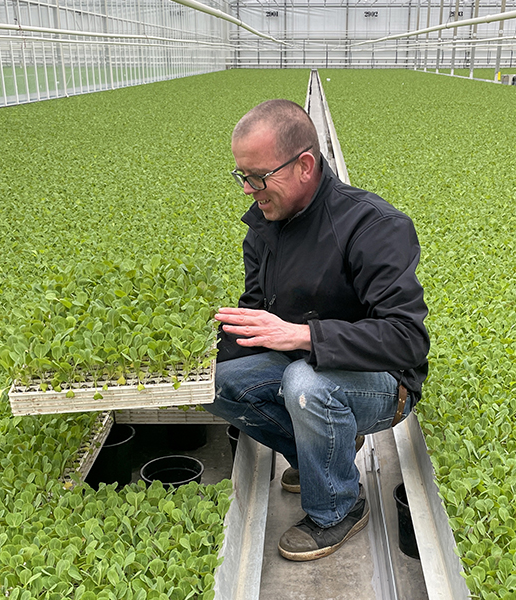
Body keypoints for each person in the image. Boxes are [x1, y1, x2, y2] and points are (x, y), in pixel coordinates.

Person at [206, 99, 429, 562]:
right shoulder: (264, 228)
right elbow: (254, 313)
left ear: (304, 165)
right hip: (306, 367)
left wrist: (303, 336)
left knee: (304, 384)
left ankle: (338, 508)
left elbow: (406, 339)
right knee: (217, 384)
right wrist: (178, 360)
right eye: (241, 176)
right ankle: (325, 456)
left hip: (382, 383)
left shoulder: (372, 226)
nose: (248, 190)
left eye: (258, 177)